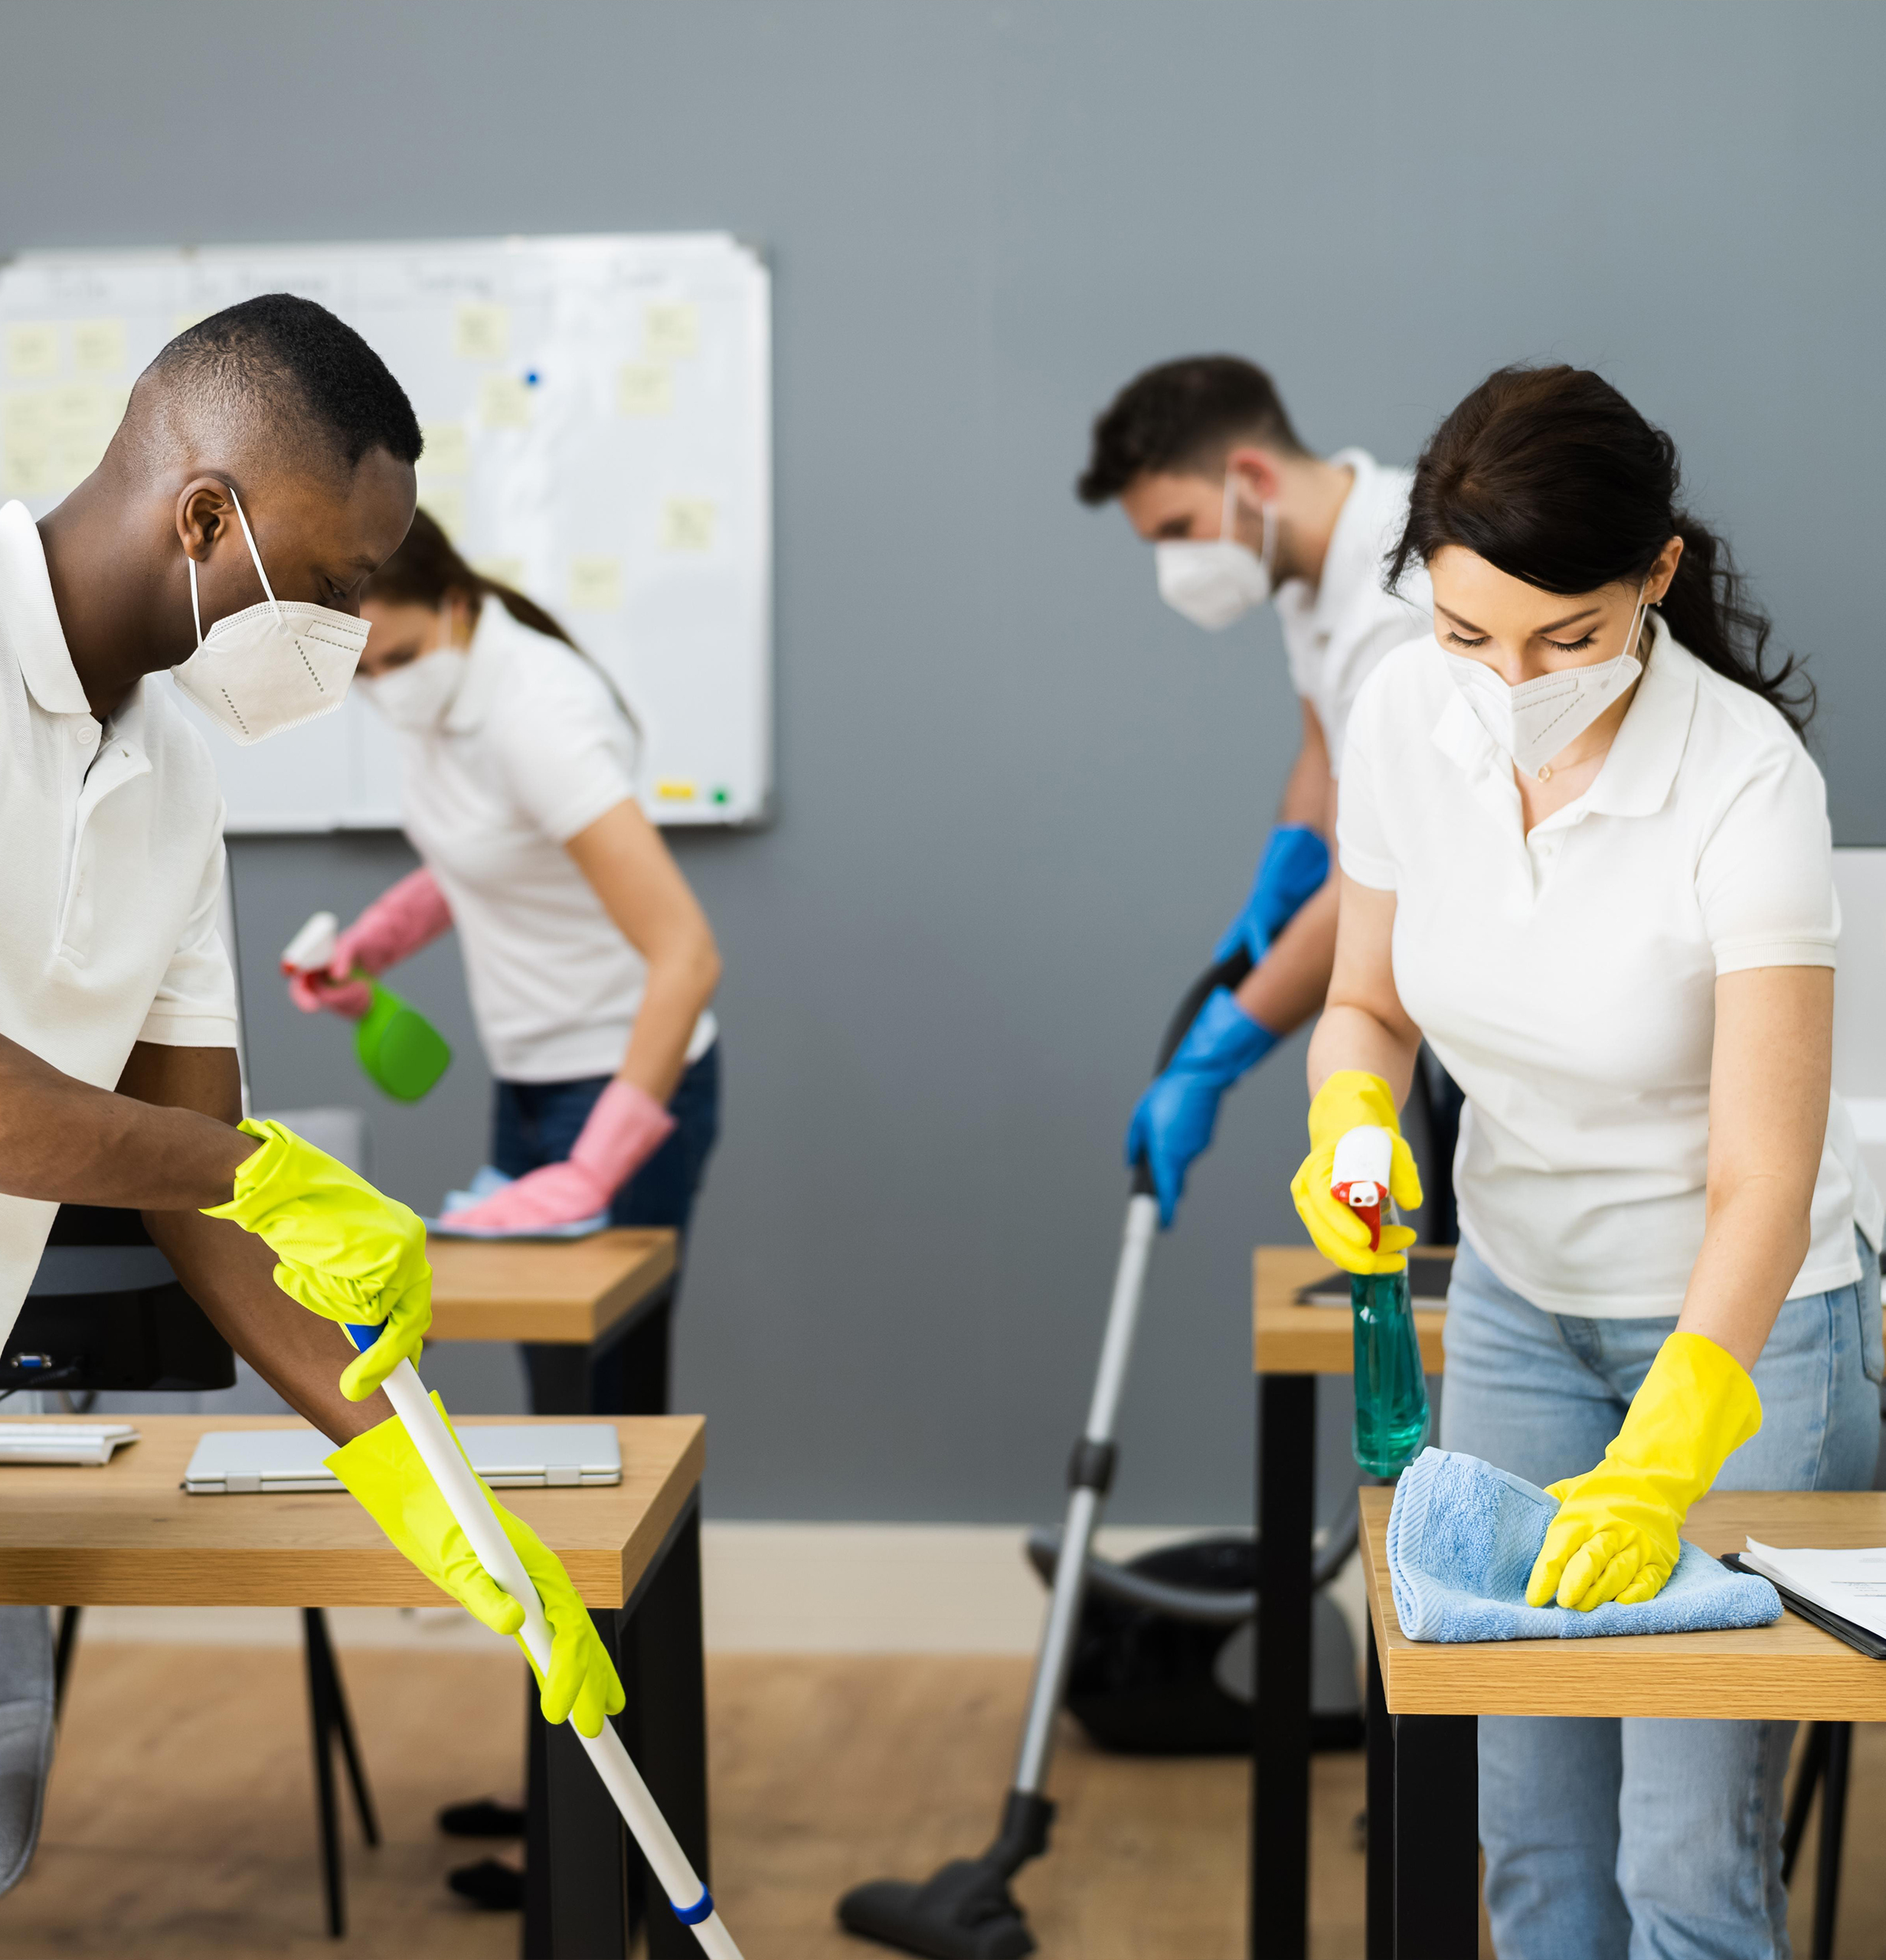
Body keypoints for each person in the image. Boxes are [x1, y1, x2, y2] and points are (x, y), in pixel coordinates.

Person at [0, 294, 622, 1889]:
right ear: (205, 512)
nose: (349, 634)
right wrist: (253, 1174)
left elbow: (197, 1178)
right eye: (336, 586)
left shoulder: (181, 774)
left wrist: (424, 1481)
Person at [1293, 362, 1883, 1955]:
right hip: (1511, 1311)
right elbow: (1361, 1001)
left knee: (1682, 1863)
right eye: (1469, 631)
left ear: (1656, 577)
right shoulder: (1404, 715)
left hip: (1743, 1340)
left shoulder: (1744, 779)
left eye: (1569, 635)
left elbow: (1763, 1174)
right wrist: (1346, 1116)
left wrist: (1668, 1446)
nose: (1512, 679)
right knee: (1535, 1846)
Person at [290, 510, 722, 1421]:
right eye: (362, 672)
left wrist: (596, 1166)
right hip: (528, 1082)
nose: (383, 689)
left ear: (454, 603)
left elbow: (687, 955)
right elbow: (488, 852)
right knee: (560, 1394)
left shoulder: (539, 716)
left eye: (396, 660)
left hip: (625, 1081)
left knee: (611, 1407)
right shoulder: (437, 690)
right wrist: (374, 943)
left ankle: (624, 1573)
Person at [1076, 355, 1434, 1226]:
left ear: (1250, 478)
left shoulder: (1403, 588)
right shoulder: (1304, 565)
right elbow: (1324, 742)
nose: (1175, 564)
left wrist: (1224, 1043)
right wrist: (1287, 862)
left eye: (1178, 527)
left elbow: (1383, 876)